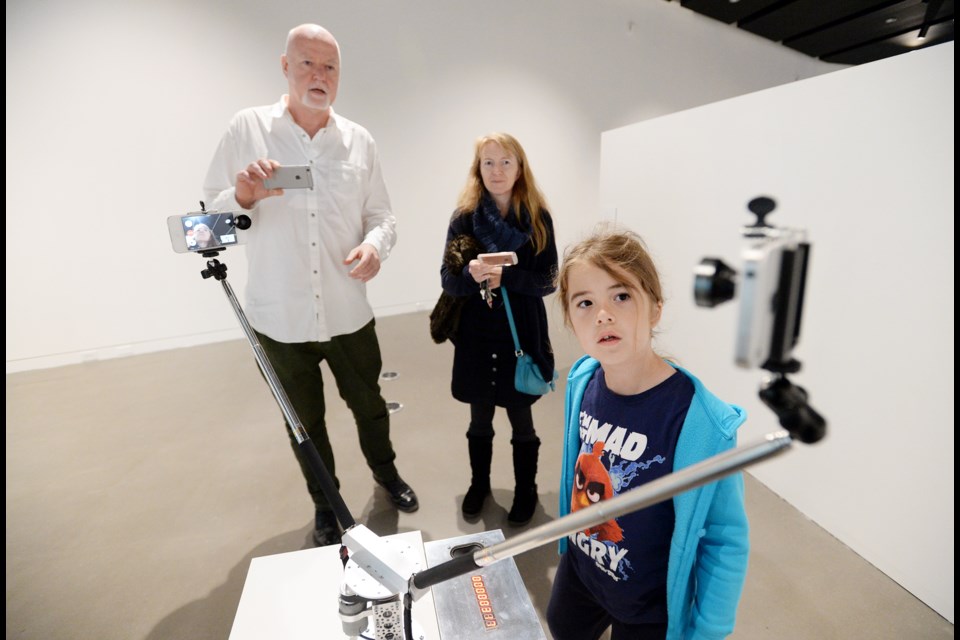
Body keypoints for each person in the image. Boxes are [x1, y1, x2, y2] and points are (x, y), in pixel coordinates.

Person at [201, 23, 418, 547]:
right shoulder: (246, 129)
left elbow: (382, 216)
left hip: (348, 311)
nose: (319, 76)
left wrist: (375, 247)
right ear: (285, 66)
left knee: (369, 406)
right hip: (278, 318)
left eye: (330, 67)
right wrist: (245, 195)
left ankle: (386, 475)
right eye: (307, 64)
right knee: (304, 423)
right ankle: (326, 504)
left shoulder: (358, 140)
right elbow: (209, 213)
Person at [546, 226, 749, 640]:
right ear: (570, 320)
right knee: (562, 627)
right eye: (585, 302)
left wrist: (707, 631)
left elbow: (725, 540)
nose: (603, 314)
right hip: (581, 572)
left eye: (621, 296)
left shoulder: (702, 424)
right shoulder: (583, 379)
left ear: (655, 308)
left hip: (649, 605)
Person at [438, 132, 558, 526]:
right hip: (475, 336)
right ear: (478, 169)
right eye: (488, 162)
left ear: (520, 168)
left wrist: (507, 278)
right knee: (479, 419)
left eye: (506, 161)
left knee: (521, 419)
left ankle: (527, 490)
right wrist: (472, 276)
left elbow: (548, 281)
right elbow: (448, 282)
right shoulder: (464, 219)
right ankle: (479, 485)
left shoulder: (537, 219)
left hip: (520, 334)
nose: (497, 170)